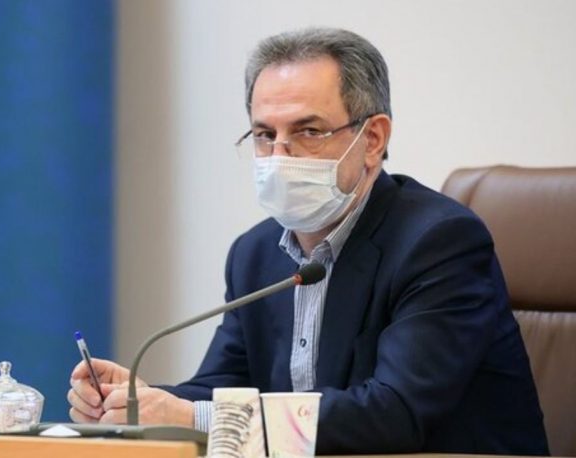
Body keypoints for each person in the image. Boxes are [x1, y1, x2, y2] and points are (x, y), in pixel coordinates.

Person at [67, 28, 549, 454]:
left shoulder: (439, 243)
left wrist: (192, 416)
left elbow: (395, 413)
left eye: (309, 131)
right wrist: (140, 401)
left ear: (373, 139)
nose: (280, 155)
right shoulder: (255, 253)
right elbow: (222, 388)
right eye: (264, 134)